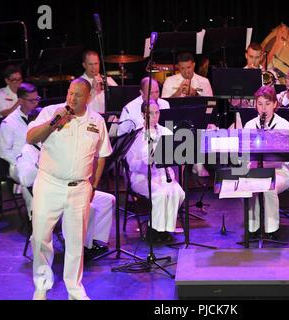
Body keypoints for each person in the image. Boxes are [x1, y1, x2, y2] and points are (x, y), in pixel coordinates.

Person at [26, 78, 112, 300]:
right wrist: (54, 122)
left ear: (88, 98)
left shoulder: (96, 121)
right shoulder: (51, 112)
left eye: (78, 95)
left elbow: (101, 155)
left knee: (76, 240)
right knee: (40, 236)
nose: (72, 98)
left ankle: (74, 288)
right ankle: (42, 283)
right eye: (70, 93)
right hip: (49, 184)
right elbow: (30, 137)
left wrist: (94, 185)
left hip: (79, 188)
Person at [16, 143, 114, 260]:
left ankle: (96, 240)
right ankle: (82, 248)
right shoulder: (28, 150)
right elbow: (25, 180)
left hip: (71, 189)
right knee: (89, 207)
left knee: (107, 200)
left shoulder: (60, 144)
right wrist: (44, 166)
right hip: (46, 198)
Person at [125, 100, 185, 243]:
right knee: (160, 194)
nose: (154, 116)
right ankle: (154, 231)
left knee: (178, 193)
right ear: (143, 115)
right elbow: (130, 164)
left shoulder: (166, 132)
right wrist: (145, 163)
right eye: (150, 113)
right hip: (142, 177)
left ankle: (166, 230)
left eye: (157, 112)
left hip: (164, 174)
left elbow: (175, 157)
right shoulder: (136, 135)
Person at [243, 86, 289, 238]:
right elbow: (244, 154)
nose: (263, 108)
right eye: (260, 104)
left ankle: (271, 228)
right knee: (249, 186)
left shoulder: (284, 125)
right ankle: (253, 227)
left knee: (269, 187)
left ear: (275, 104)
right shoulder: (249, 125)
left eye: (267, 104)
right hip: (255, 168)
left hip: (279, 171)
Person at [80, 50, 117, 114]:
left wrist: (112, 90)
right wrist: (93, 90)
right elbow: (77, 106)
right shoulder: (78, 83)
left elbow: (119, 102)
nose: (94, 67)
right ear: (84, 65)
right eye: (90, 64)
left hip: (107, 120)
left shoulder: (108, 80)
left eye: (96, 63)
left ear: (99, 63)